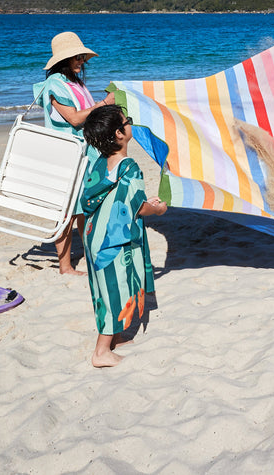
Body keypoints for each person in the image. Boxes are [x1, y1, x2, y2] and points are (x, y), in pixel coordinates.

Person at [81, 104, 166, 368]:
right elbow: (137, 207)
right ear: (119, 133)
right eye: (126, 121)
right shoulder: (129, 166)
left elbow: (113, 197)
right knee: (116, 289)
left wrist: (142, 201)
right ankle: (101, 352)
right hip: (113, 240)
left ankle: (115, 338)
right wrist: (158, 209)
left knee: (105, 287)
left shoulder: (99, 162)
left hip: (94, 234)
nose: (130, 124)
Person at [33, 31, 116, 275]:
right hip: (68, 154)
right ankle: (65, 266)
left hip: (84, 153)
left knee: (84, 206)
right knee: (68, 211)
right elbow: (74, 118)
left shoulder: (73, 83)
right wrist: (104, 103)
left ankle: (88, 257)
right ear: (63, 59)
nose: (82, 61)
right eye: (77, 57)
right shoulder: (54, 84)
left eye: (82, 57)